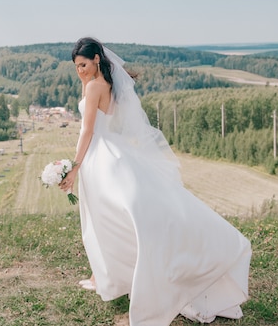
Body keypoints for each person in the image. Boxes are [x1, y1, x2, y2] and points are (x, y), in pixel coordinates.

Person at [59, 37, 252, 325]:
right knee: (109, 219)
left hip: (99, 156)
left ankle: (123, 275)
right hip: (111, 152)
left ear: (97, 59)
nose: (80, 71)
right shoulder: (105, 84)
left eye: (83, 64)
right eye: (76, 67)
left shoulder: (95, 85)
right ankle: (104, 274)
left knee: (106, 219)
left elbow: (87, 130)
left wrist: (74, 167)